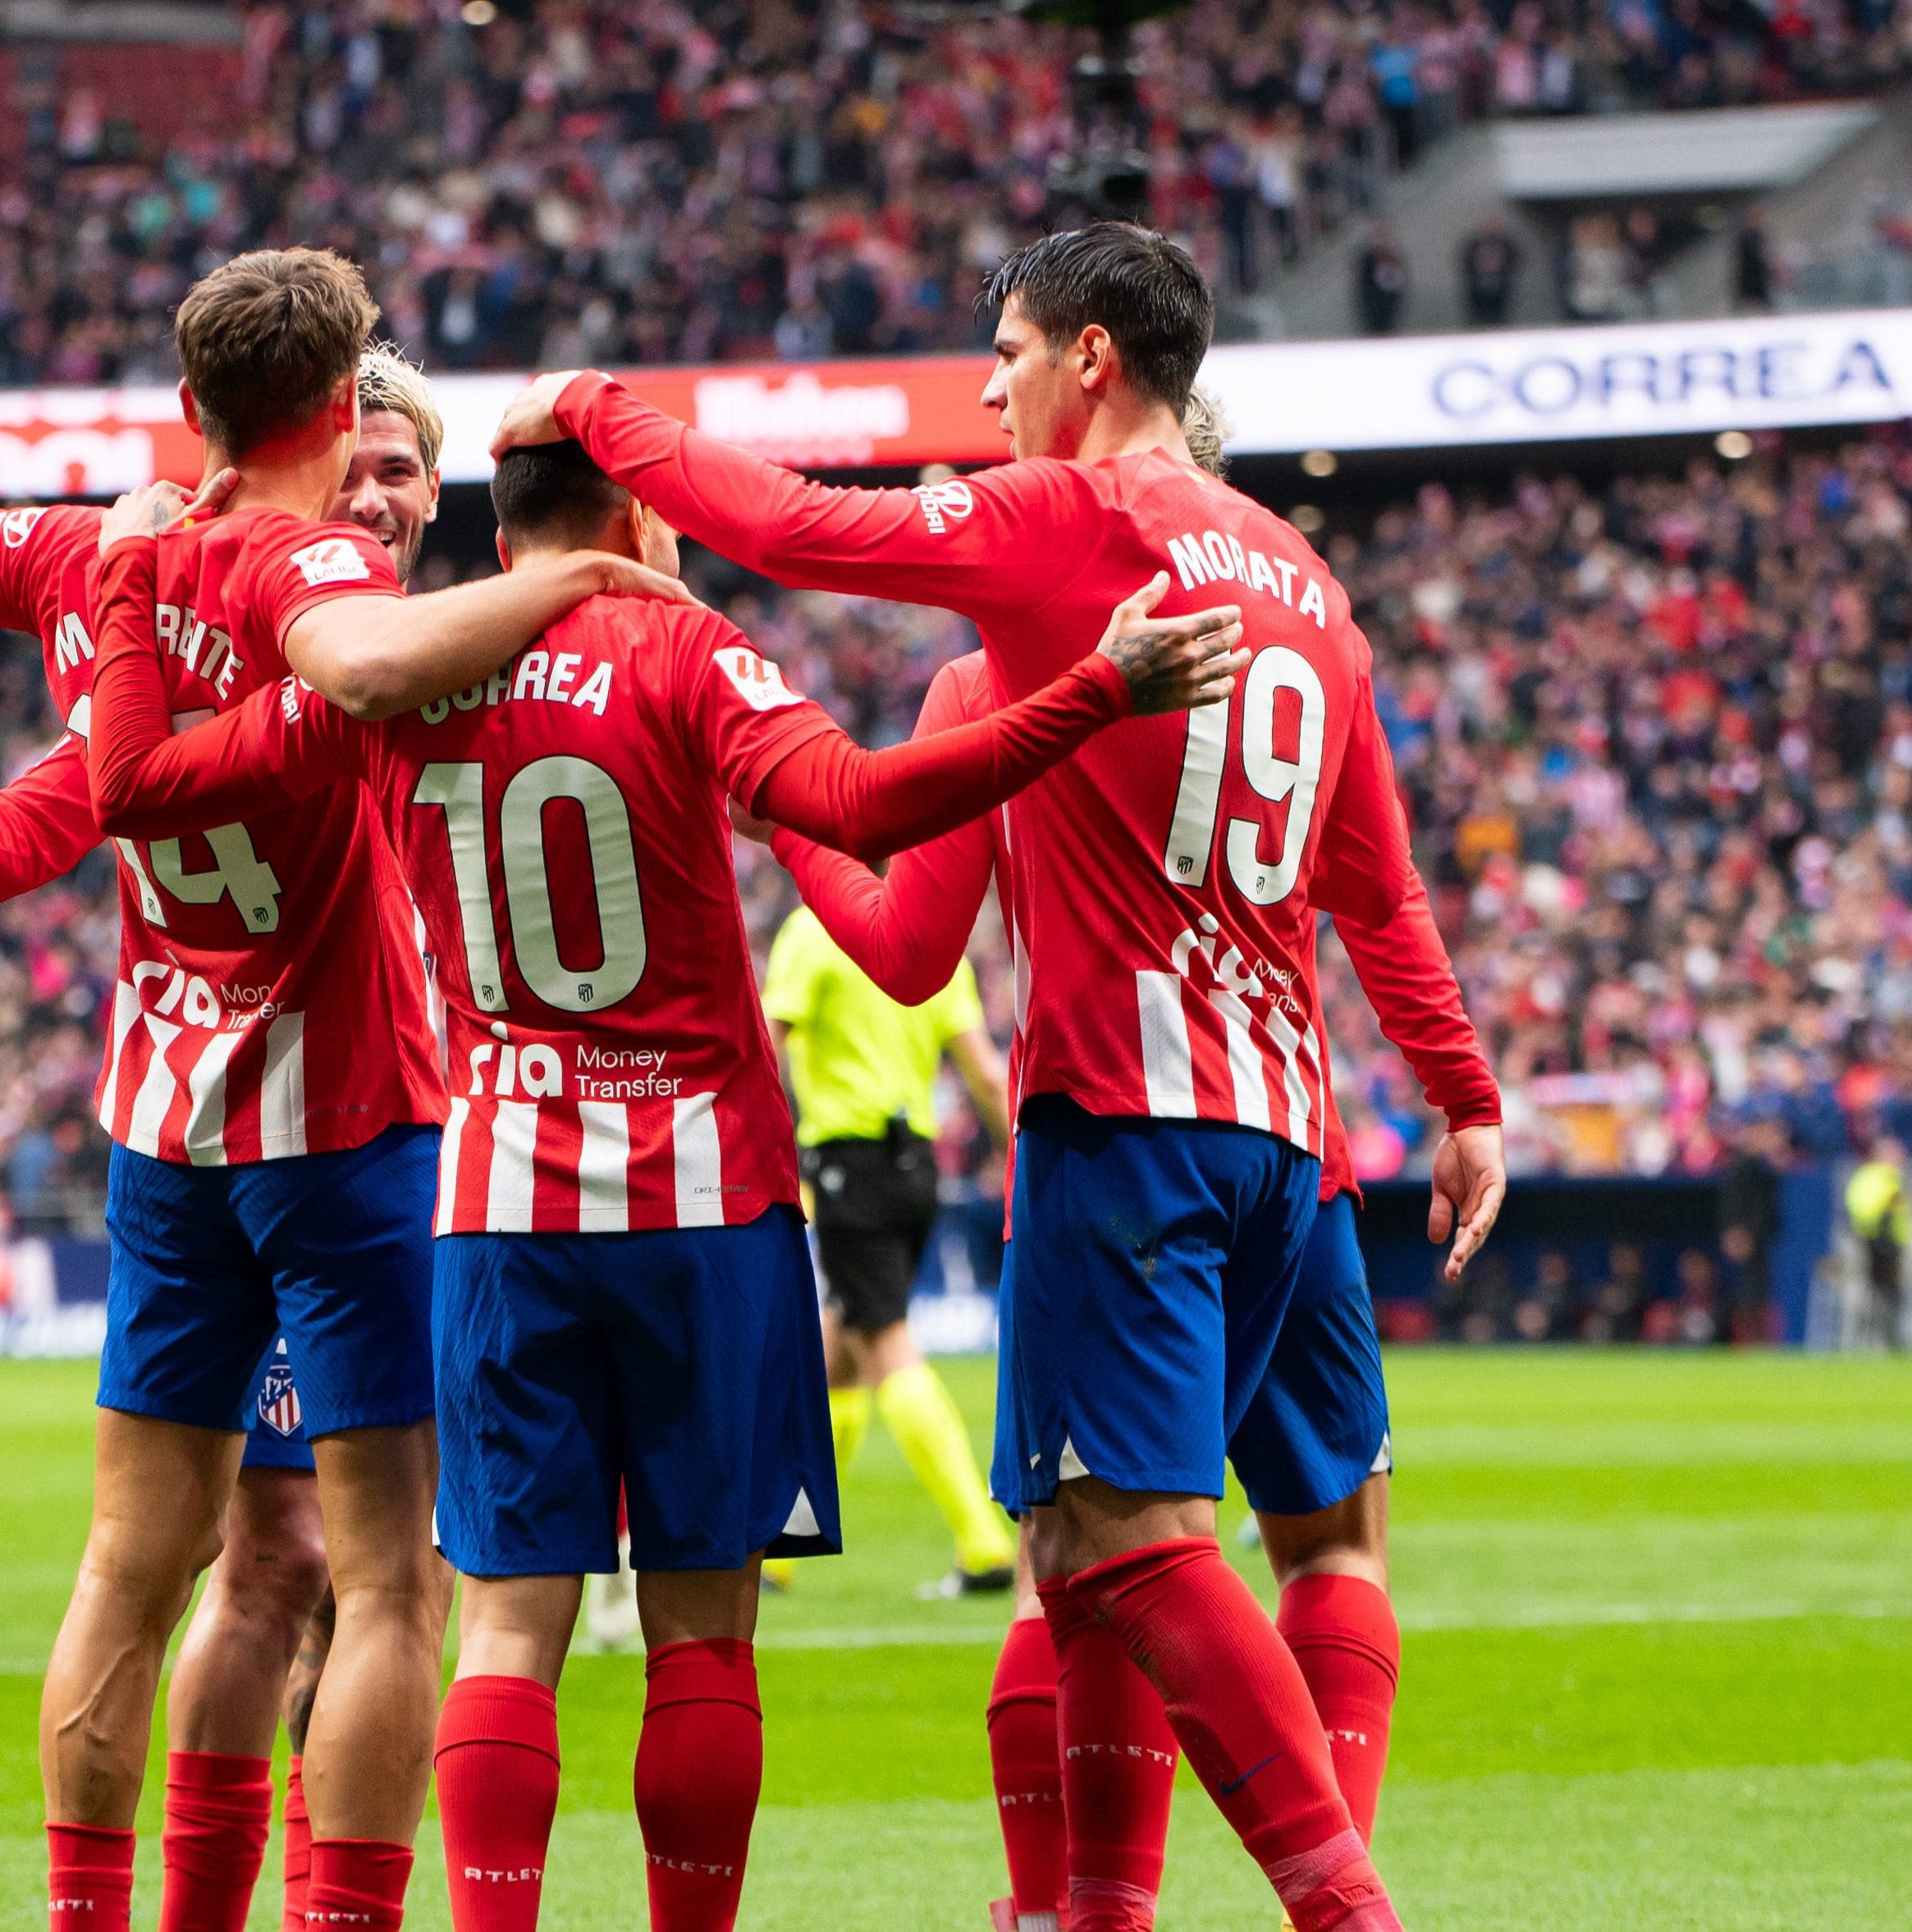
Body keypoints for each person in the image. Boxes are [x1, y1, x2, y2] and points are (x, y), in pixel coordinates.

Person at [76, 435, 1242, 1932]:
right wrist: (1092, 690)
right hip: (704, 1209)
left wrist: (123, 584)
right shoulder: (684, 649)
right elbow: (869, 805)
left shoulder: (398, 675)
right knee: (701, 1632)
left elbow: (157, 782)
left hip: (498, 1199)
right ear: (635, 515)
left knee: (502, 1625)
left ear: (500, 538)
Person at [499, 222, 1509, 1932]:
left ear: (1091, 359)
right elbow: (1377, 883)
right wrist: (1462, 1094)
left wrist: (602, 405)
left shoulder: (1060, 540)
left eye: (1009, 350)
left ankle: (1311, 1910)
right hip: (1296, 1142)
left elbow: (797, 536)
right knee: (1288, 1543)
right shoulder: (1303, 583)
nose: (988, 386)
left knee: (1108, 1540)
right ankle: (1093, 1912)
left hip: (1128, 1129)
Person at [0, 254, 682, 1932]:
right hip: (350, 1139)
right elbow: (360, 677)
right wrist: (592, 581)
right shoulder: (349, 607)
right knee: (377, 1575)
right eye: (361, 458)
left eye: (408, 479)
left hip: (175, 1133)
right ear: (329, 425)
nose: (377, 496)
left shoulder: (105, 564)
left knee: (191, 1565)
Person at [761, 905, 1022, 1597]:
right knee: (838, 1354)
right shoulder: (930, 935)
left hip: (847, 1167)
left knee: (884, 1343)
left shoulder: (812, 934)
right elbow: (985, 1073)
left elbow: (765, 1045)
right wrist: (1017, 1167)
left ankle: (983, 1544)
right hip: (916, 1170)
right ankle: (782, 1549)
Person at [1714, 1118, 1788, 1346]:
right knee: (1750, 1289)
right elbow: (1734, 1202)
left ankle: (1759, 1340)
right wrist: (1735, 1232)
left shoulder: (1761, 1165)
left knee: (1759, 1289)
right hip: (1748, 1237)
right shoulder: (1743, 1164)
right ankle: (1749, 1340)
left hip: (1760, 1236)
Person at [1845, 1138, 1912, 1352]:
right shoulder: (1874, 1178)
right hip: (1876, 1246)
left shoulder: (1891, 1179)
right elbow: (1865, 1210)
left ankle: (1887, 1339)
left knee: (1890, 1293)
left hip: (1892, 1245)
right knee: (1876, 1294)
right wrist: (1879, 1229)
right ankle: (1870, 1341)